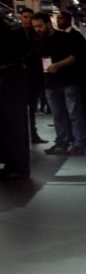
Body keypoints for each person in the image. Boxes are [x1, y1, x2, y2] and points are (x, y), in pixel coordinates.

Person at [31, 13, 86, 156]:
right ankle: (62, 142)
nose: (37, 29)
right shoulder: (38, 42)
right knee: (58, 115)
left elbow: (77, 56)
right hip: (50, 83)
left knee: (74, 114)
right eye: (35, 27)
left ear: (48, 23)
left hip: (69, 81)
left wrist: (59, 65)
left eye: (39, 26)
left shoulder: (66, 38)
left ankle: (78, 143)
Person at [1, 17, 31, 180]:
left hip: (8, 81)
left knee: (12, 124)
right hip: (12, 79)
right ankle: (16, 165)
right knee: (13, 124)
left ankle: (17, 166)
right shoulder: (10, 32)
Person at [16, 7, 47, 144]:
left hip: (35, 77)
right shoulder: (14, 35)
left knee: (32, 107)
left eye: (30, 17)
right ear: (21, 18)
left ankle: (33, 134)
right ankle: (22, 136)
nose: (28, 20)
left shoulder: (39, 35)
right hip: (18, 76)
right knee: (19, 109)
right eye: (25, 17)